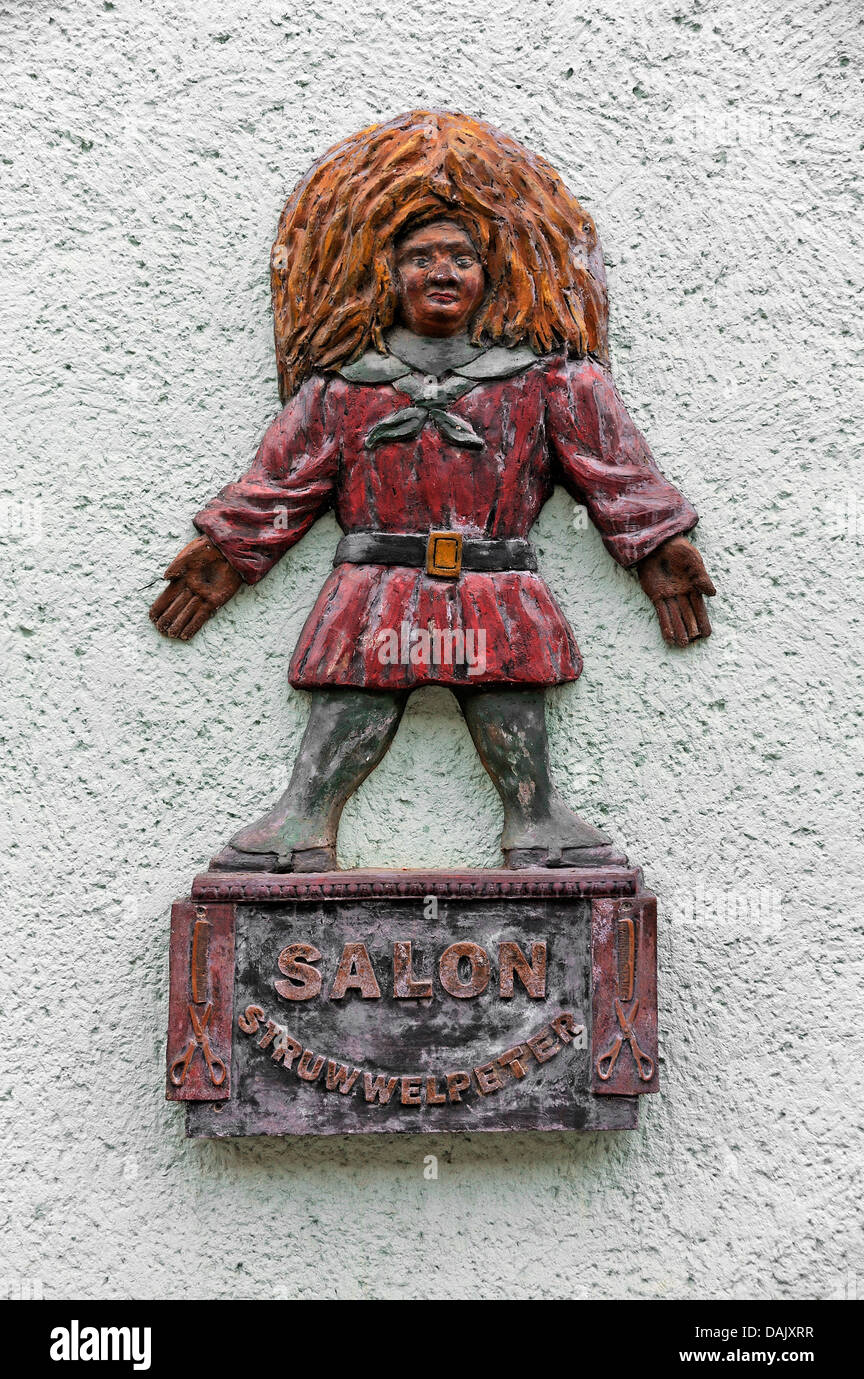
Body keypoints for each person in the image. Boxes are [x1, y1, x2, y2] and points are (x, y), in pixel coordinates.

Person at [149, 111, 715, 873]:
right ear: (389, 272)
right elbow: (280, 483)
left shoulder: (548, 382)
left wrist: (658, 549)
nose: (442, 273)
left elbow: (614, 471)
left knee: (509, 688)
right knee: (353, 692)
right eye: (421, 258)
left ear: (491, 273)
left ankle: (535, 817)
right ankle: (304, 816)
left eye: (460, 257)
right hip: (378, 578)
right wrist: (223, 556)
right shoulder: (343, 390)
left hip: (491, 571)